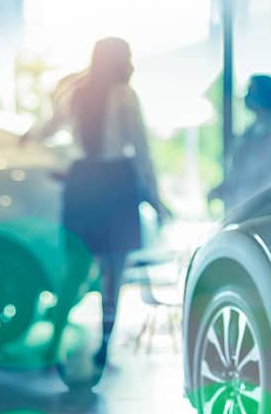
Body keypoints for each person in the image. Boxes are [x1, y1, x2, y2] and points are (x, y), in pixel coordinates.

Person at [25, 37, 168, 374]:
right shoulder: (125, 96)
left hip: (82, 182)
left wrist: (27, 141)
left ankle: (53, 343)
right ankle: (104, 345)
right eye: (127, 56)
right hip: (117, 183)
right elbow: (141, 151)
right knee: (114, 273)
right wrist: (155, 197)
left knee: (74, 269)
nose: (131, 63)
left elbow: (48, 128)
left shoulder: (76, 92)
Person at [208, 74, 271, 209]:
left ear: (264, 94)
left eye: (251, 91)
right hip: (242, 204)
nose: (245, 97)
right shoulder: (250, 132)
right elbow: (239, 171)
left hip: (264, 204)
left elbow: (266, 169)